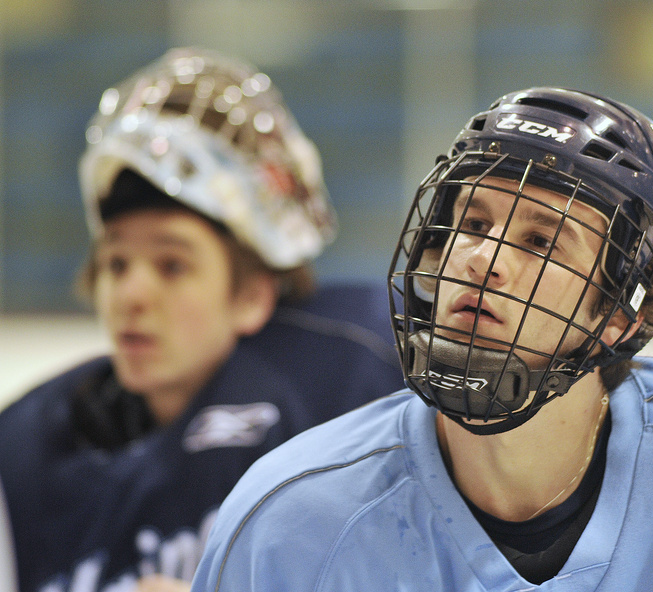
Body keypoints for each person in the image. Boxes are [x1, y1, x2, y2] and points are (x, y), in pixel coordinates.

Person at [191, 87, 653, 591]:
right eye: (474, 223)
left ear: (621, 313)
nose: (483, 259)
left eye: (542, 241)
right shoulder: (288, 524)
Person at [0, 48, 403, 592]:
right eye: (116, 262)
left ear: (253, 294)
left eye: (172, 264)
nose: (130, 295)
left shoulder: (357, 382)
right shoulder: (28, 443)